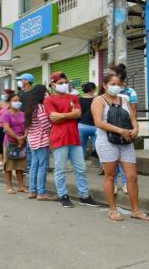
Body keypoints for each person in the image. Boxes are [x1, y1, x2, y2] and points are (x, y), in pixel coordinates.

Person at [92, 74, 149, 222]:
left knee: (132, 177)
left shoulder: (124, 100)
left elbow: (132, 118)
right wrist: (121, 131)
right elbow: (99, 122)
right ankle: (112, 209)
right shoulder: (98, 100)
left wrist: (136, 128)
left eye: (119, 84)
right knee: (110, 175)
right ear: (104, 85)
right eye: (112, 83)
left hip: (126, 142)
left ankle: (135, 210)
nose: (116, 86)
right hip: (107, 142)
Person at [44, 72, 99, 208]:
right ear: (53, 84)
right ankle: (63, 195)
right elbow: (53, 117)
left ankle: (84, 196)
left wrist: (61, 115)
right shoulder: (49, 100)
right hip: (58, 138)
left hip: (74, 137)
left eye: (65, 82)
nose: (64, 85)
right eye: (60, 83)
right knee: (60, 169)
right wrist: (71, 114)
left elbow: (78, 114)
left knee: (81, 168)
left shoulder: (74, 98)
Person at [109, 64, 138, 193]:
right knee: (112, 160)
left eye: (112, 73)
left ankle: (126, 184)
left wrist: (134, 127)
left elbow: (134, 111)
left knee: (125, 159)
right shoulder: (107, 91)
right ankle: (113, 184)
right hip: (110, 131)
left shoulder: (130, 92)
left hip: (126, 130)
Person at [24, 85, 55, 201]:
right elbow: (46, 125)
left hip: (32, 140)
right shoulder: (41, 108)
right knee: (43, 166)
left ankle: (32, 191)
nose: (47, 95)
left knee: (34, 166)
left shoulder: (30, 107)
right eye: (46, 93)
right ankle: (41, 192)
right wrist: (52, 130)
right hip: (42, 141)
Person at [0, 93, 28, 194]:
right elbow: (6, 128)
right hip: (10, 142)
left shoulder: (23, 114)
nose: (17, 102)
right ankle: (9, 186)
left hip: (21, 142)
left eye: (18, 100)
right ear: (10, 102)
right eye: (15, 100)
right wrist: (17, 137)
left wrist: (24, 136)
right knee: (9, 165)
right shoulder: (6, 114)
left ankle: (21, 186)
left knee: (20, 165)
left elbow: (26, 127)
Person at [78, 82, 102, 174]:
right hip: (95, 126)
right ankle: (102, 167)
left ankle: (81, 168)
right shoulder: (98, 99)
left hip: (81, 126)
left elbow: (78, 114)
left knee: (81, 148)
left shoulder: (79, 100)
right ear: (93, 89)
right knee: (98, 147)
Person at [17, 73, 34, 172]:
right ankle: (25, 165)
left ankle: (30, 166)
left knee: (30, 143)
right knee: (22, 143)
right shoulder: (20, 93)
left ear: (27, 81)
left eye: (22, 79)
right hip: (21, 120)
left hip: (32, 120)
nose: (20, 82)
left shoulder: (34, 92)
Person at [0, 89, 14, 170]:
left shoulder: (11, 104)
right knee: (1, 142)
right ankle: (1, 159)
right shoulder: (0, 104)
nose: (3, 95)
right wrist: (2, 120)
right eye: (3, 94)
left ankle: (9, 159)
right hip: (2, 126)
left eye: (5, 94)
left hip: (10, 127)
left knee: (9, 143)